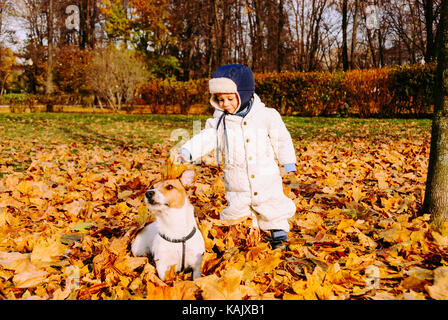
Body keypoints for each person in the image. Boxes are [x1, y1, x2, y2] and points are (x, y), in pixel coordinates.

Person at [177, 64, 296, 249]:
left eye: (229, 98)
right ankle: (239, 231)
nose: (224, 104)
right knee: (236, 211)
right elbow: (206, 138)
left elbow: (282, 139)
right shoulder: (220, 122)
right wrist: (188, 151)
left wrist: (288, 161)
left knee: (273, 205)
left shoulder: (267, 116)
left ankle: (278, 232)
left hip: (266, 177)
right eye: (220, 99)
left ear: (244, 93)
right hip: (237, 180)